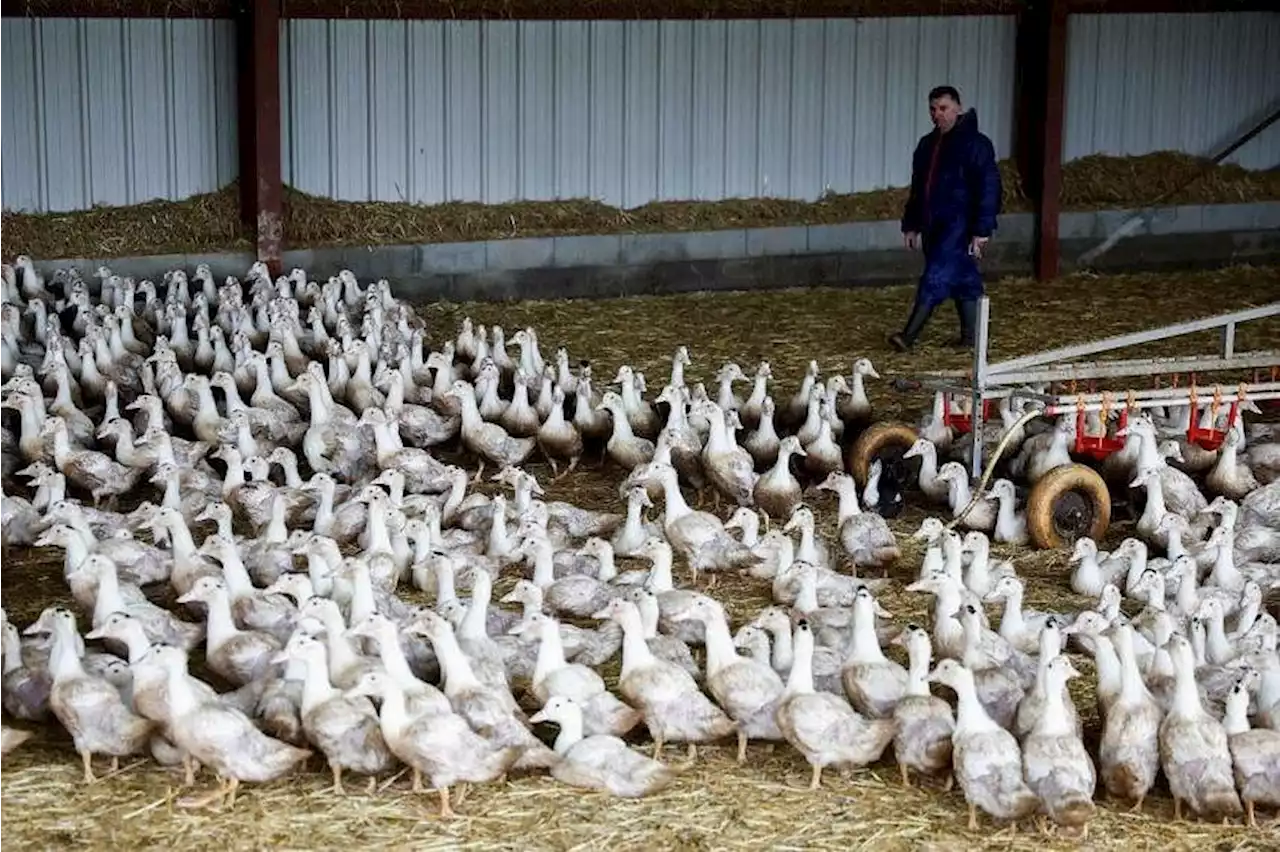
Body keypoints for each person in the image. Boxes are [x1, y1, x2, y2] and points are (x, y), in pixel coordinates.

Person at [889, 85, 1002, 352]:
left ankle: (908, 336)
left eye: (943, 108)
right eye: (932, 109)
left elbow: (990, 187)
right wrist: (912, 224)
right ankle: (972, 339)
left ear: (958, 108)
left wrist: (982, 228)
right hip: (934, 224)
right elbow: (919, 187)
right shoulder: (928, 145)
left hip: (959, 224)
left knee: (936, 276)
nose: (937, 114)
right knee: (964, 279)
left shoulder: (976, 145)